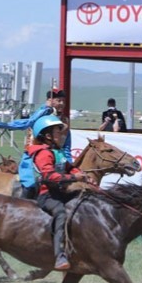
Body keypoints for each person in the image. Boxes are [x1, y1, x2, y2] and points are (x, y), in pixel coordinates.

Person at [28, 115, 90, 271]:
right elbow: (49, 177)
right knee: (61, 213)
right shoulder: (43, 153)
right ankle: (59, 256)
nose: (62, 135)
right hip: (47, 195)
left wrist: (82, 175)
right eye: (58, 132)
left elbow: (69, 168)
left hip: (62, 192)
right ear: (47, 136)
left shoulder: (58, 151)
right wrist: (74, 177)